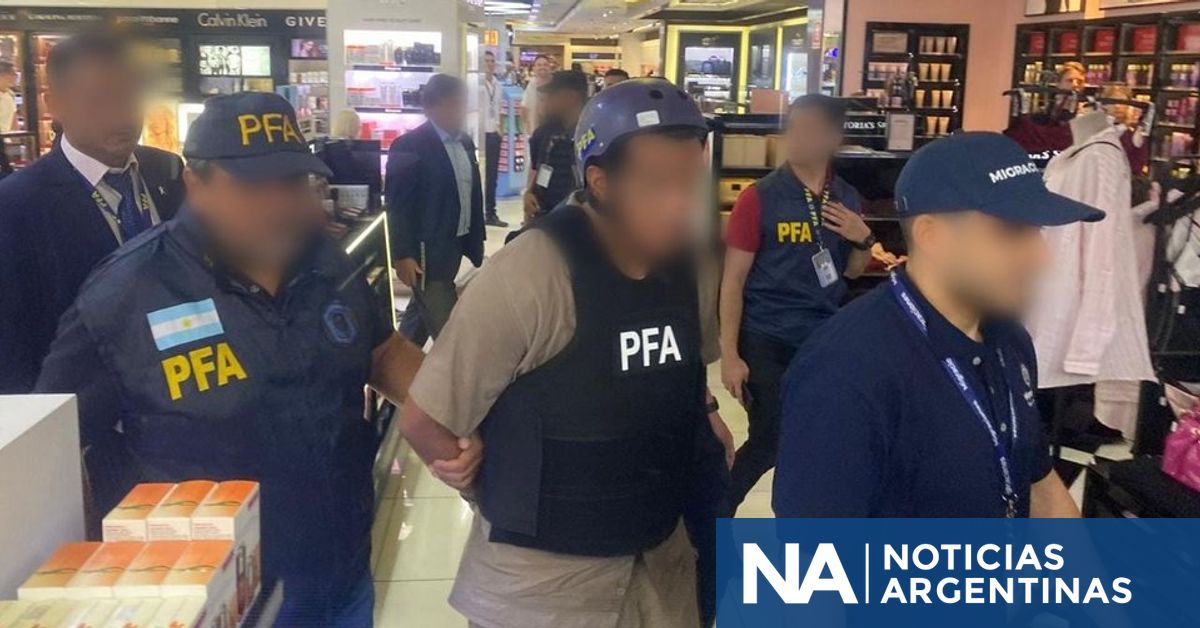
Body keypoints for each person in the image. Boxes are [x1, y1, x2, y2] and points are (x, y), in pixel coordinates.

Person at [34, 92, 470, 625]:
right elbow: (55, 444)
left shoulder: (325, 262)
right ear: (196, 183)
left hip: (340, 569)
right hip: (219, 598)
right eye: (253, 185)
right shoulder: (125, 294)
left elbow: (383, 353)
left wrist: (458, 423)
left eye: (292, 181)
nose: (278, 203)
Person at [396, 78, 732, 628]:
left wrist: (707, 411)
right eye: (657, 184)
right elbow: (424, 418)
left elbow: (681, 367)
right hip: (540, 589)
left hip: (661, 567)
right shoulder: (530, 274)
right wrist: (500, 489)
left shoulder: (692, 266)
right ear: (601, 182)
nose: (681, 204)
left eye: (690, 182)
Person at [773, 132, 1088, 519]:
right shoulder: (846, 372)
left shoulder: (1010, 340)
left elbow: (1038, 483)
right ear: (932, 236)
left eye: (1037, 231)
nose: (1041, 257)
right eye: (1012, 231)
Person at [0, 32, 185, 393]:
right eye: (99, 99)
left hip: (181, 391)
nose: (121, 115)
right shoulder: (15, 206)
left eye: (130, 96)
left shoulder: (168, 171)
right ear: (55, 104)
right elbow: (11, 346)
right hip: (83, 407)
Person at [718, 94, 873, 516]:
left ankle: (793, 521)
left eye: (809, 128)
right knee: (770, 437)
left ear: (834, 137)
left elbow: (852, 272)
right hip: (766, 335)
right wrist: (730, 354)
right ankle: (714, 515)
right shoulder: (760, 197)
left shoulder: (846, 198)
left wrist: (863, 238)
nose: (796, 137)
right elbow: (732, 280)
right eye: (794, 127)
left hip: (823, 339)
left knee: (815, 438)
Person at [386, 74, 485, 345]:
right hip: (425, 252)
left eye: (462, 103)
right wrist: (402, 254)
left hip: (456, 242)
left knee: (418, 317)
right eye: (454, 104)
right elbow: (397, 206)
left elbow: (471, 192)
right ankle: (458, 373)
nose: (461, 111)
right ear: (433, 107)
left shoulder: (465, 143)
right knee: (452, 336)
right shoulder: (409, 146)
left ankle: (394, 365)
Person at [522, 70, 589, 224]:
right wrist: (529, 193)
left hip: (580, 220)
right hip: (545, 215)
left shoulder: (593, 132)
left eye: (553, 94)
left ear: (571, 97)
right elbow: (537, 168)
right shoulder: (544, 133)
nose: (547, 100)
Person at [481, 51, 509, 228]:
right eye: (486, 61)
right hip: (480, 133)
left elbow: (500, 108)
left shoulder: (498, 85)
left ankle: (490, 212)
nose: (490, 64)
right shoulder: (475, 83)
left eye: (492, 61)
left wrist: (501, 130)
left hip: (494, 133)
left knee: (492, 176)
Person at [522, 54, 553, 133]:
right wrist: (527, 129)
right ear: (534, 68)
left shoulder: (556, 84)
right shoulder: (532, 84)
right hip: (535, 130)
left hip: (552, 130)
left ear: (549, 67)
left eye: (545, 65)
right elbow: (524, 108)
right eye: (539, 65)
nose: (542, 67)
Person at [0, 60, 17, 132]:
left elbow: (14, 122)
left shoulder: (10, 96)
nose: (15, 77)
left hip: (8, 137)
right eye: (12, 74)